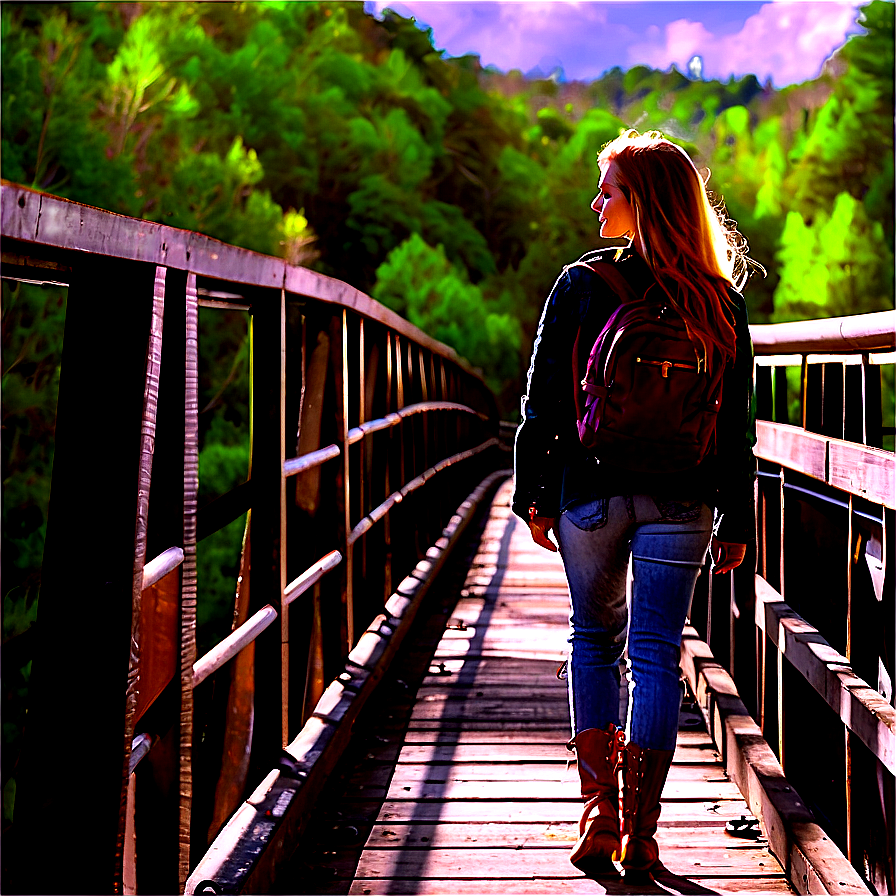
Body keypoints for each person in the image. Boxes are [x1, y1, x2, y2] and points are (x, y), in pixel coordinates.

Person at [511, 129, 758, 878]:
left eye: (608, 191)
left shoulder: (581, 285)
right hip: (682, 498)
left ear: (641, 201)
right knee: (655, 655)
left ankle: (598, 810)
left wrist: (534, 492)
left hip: (589, 489)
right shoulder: (719, 301)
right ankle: (642, 832)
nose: (596, 203)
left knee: (595, 641)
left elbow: (544, 399)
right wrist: (736, 517)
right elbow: (735, 423)